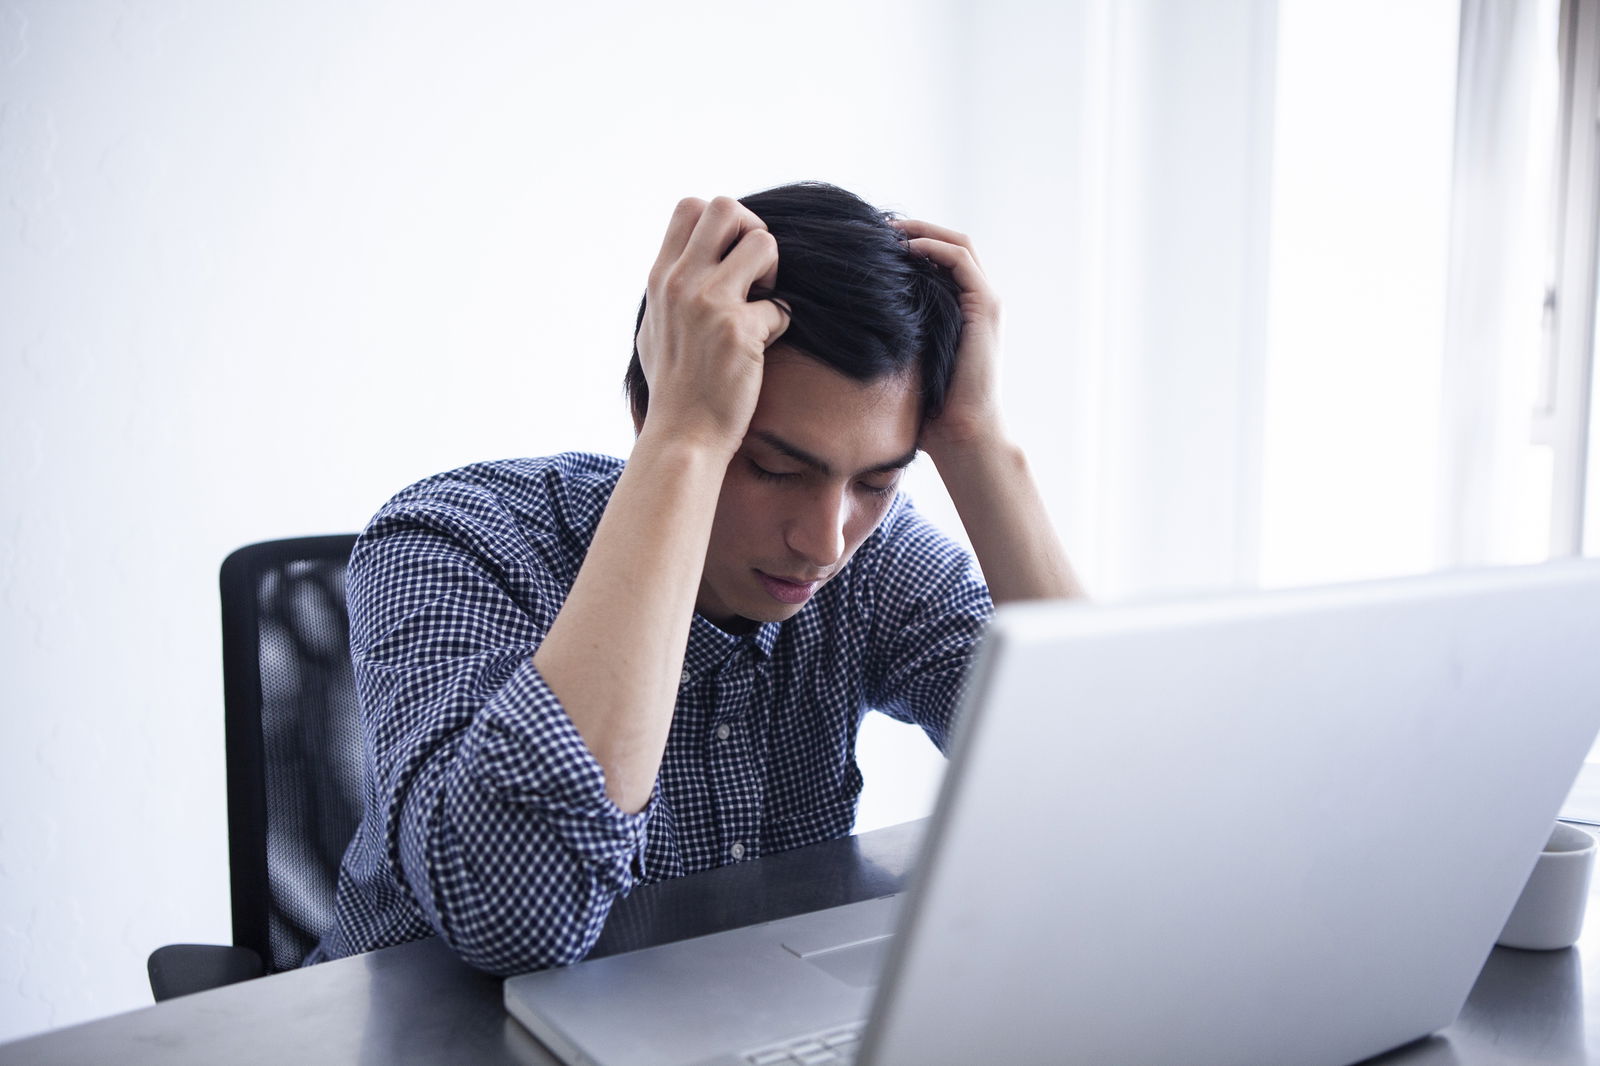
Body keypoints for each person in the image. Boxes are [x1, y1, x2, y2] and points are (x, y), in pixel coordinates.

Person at [306, 181, 1083, 973]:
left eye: (877, 483)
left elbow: (1109, 806)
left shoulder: (878, 562)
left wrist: (980, 446)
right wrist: (684, 439)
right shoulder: (452, 540)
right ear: (657, 405)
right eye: (775, 469)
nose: (825, 540)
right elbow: (517, 920)